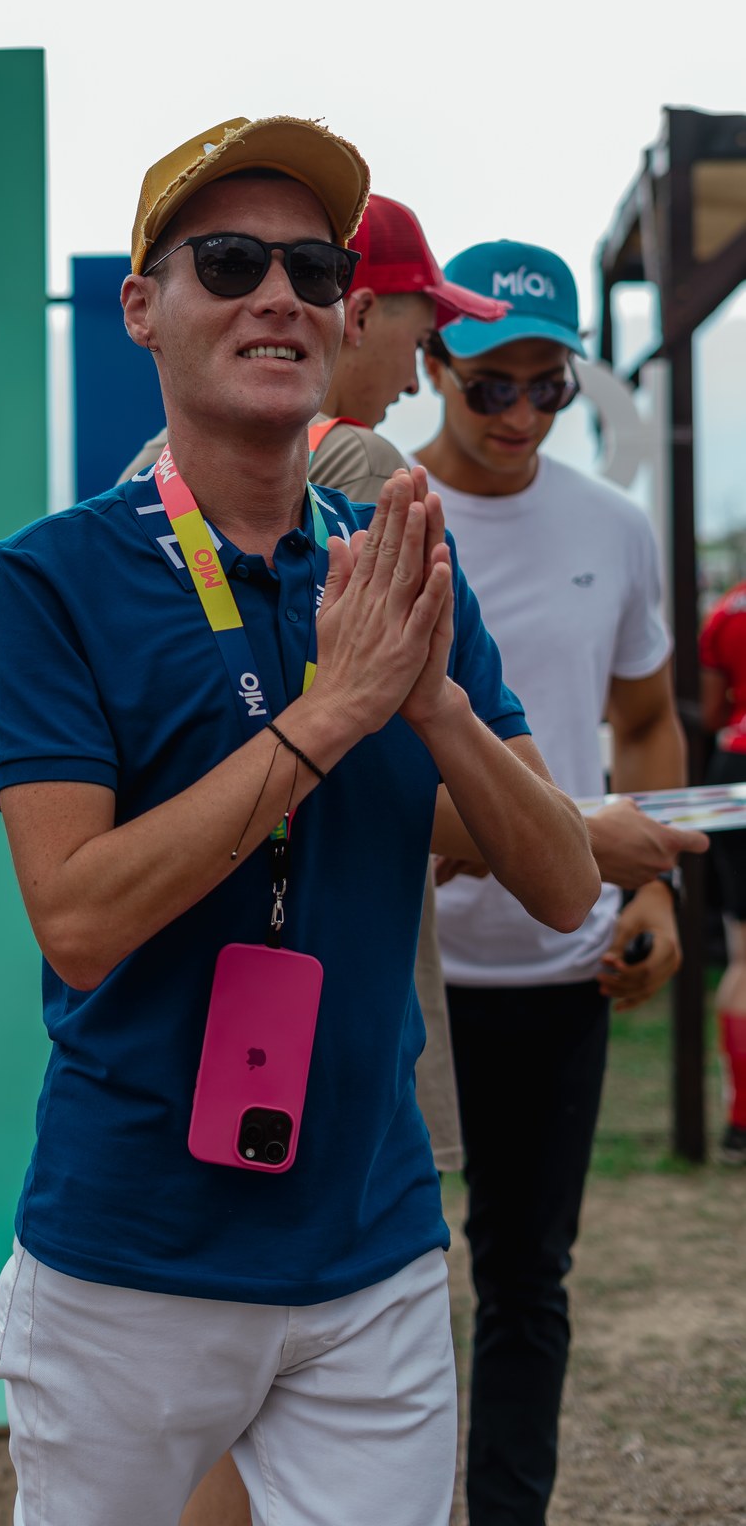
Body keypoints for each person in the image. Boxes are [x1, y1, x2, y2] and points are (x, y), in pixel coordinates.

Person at [0, 116, 600, 1526]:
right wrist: (333, 714)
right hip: (128, 1257)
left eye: (314, 269)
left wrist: (435, 706)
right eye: (230, 262)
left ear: (343, 309)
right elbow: (76, 918)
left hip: (370, 1253)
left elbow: (566, 884)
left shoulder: (404, 563)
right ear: (142, 308)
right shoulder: (56, 577)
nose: (280, 295)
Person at [415, 240, 707, 1526]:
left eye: (551, 386)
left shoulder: (612, 526)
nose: (523, 415)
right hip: (401, 963)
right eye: (493, 386)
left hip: (555, 965)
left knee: (528, 1278)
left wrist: (654, 895)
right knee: (368, 1280)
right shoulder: (369, 515)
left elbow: (642, 723)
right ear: (434, 361)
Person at [699, 578, 746, 1163]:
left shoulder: (727, 608)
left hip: (733, 770)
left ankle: (740, 1122)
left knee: (743, 958)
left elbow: (713, 712)